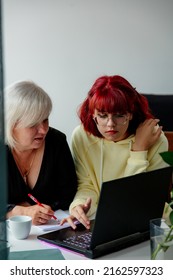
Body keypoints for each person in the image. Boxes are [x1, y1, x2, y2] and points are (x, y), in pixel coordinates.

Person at [61, 75, 169, 229]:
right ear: (93, 115)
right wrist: (80, 205)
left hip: (146, 224)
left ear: (131, 113)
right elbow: (87, 185)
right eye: (103, 116)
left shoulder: (155, 139)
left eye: (120, 115)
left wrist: (139, 150)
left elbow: (139, 200)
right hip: (105, 224)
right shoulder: (82, 136)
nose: (111, 124)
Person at [5, 80, 77, 225]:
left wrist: (45, 209)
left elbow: (69, 193)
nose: (44, 130)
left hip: (51, 230)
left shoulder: (56, 141)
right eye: (33, 124)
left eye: (45, 120)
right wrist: (19, 211)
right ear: (12, 124)